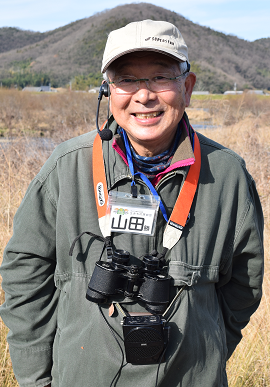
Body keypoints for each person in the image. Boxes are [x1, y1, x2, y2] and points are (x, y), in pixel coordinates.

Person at [0, 19, 264, 387]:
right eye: (127, 80)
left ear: (187, 88)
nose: (144, 95)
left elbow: (244, 286)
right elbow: (24, 274)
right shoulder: (66, 166)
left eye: (160, 77)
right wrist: (34, 379)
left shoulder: (227, 175)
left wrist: (207, 349)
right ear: (107, 91)